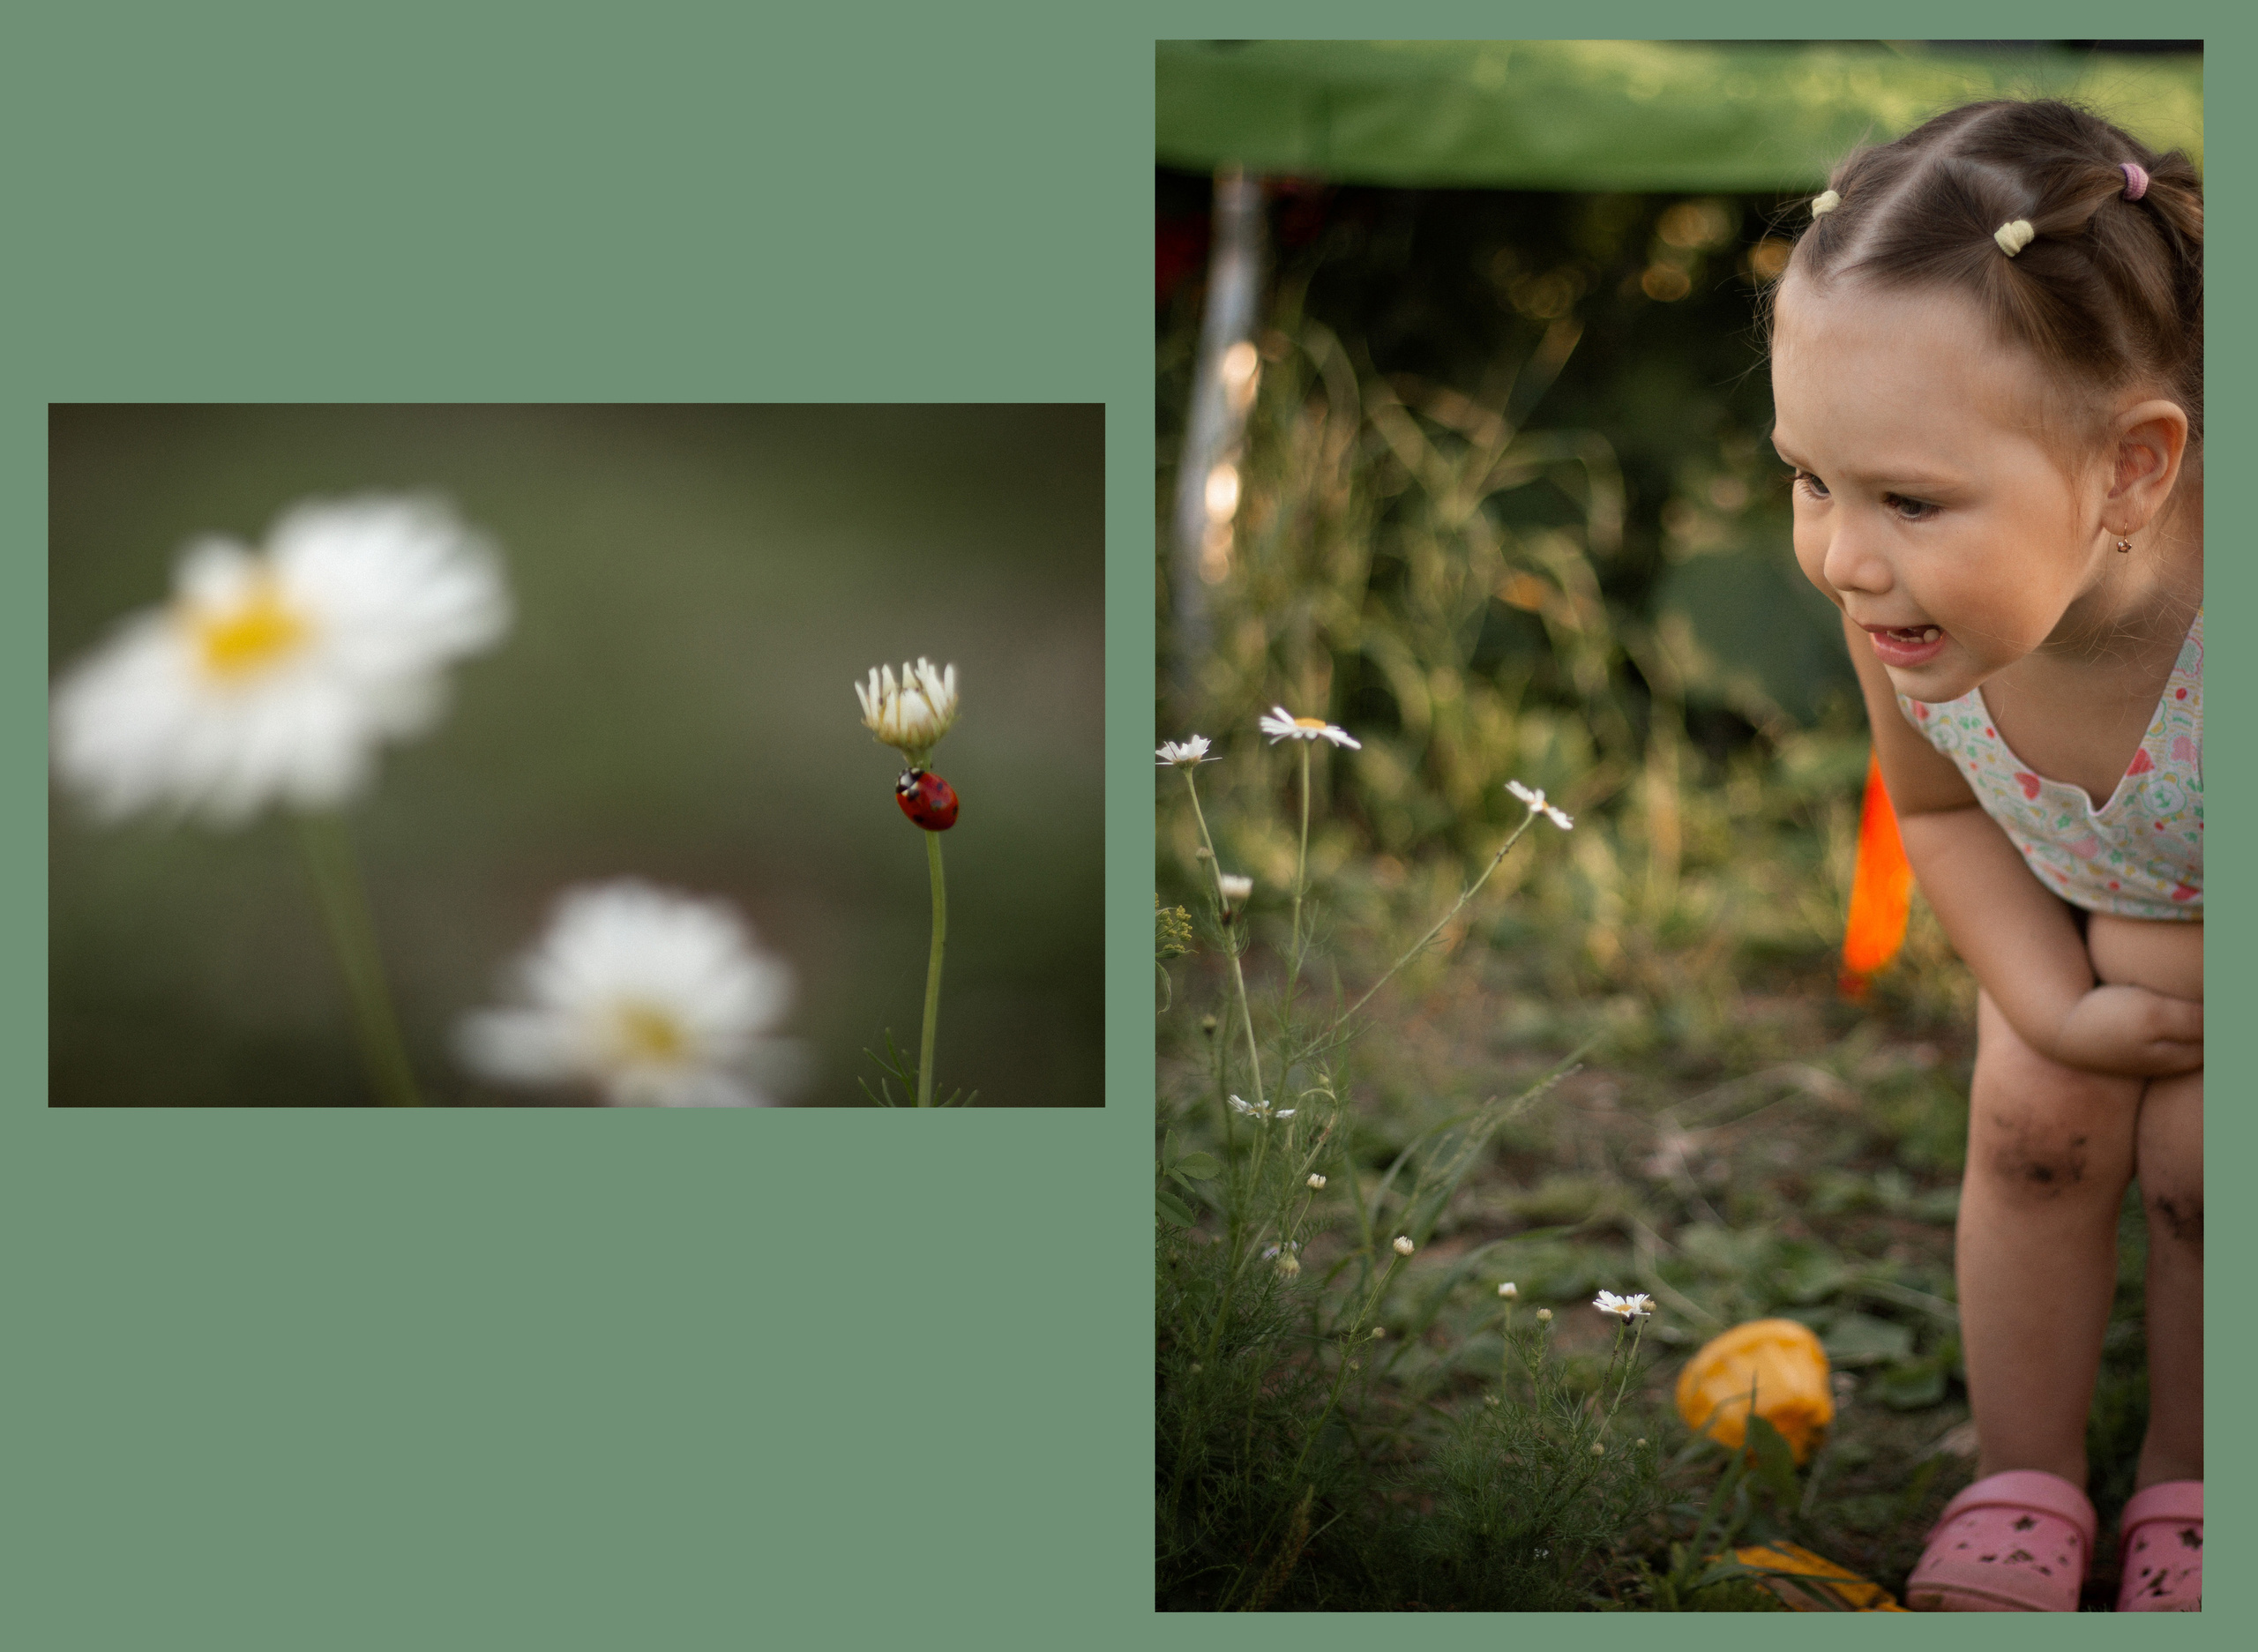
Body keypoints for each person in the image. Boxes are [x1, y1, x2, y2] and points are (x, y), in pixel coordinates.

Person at [1768, 100, 2202, 1611]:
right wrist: (2056, 1003)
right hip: (2075, 923)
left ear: (2134, 472)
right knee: (2031, 1113)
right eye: (1809, 479)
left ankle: (2195, 1480)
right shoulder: (1900, 607)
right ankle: (2022, 1475)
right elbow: (1942, 816)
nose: (1841, 554)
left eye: (1907, 497)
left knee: (2203, 1165)